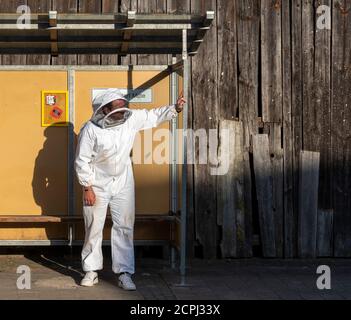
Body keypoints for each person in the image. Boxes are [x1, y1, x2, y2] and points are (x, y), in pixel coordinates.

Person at [75, 88, 186, 290]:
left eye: (123, 106)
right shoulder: (90, 129)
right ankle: (91, 270)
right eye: (118, 107)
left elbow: (153, 115)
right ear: (105, 109)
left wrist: (175, 109)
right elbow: (82, 160)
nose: (123, 110)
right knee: (94, 226)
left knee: (124, 226)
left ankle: (124, 273)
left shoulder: (131, 120)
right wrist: (87, 187)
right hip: (96, 184)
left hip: (123, 181)